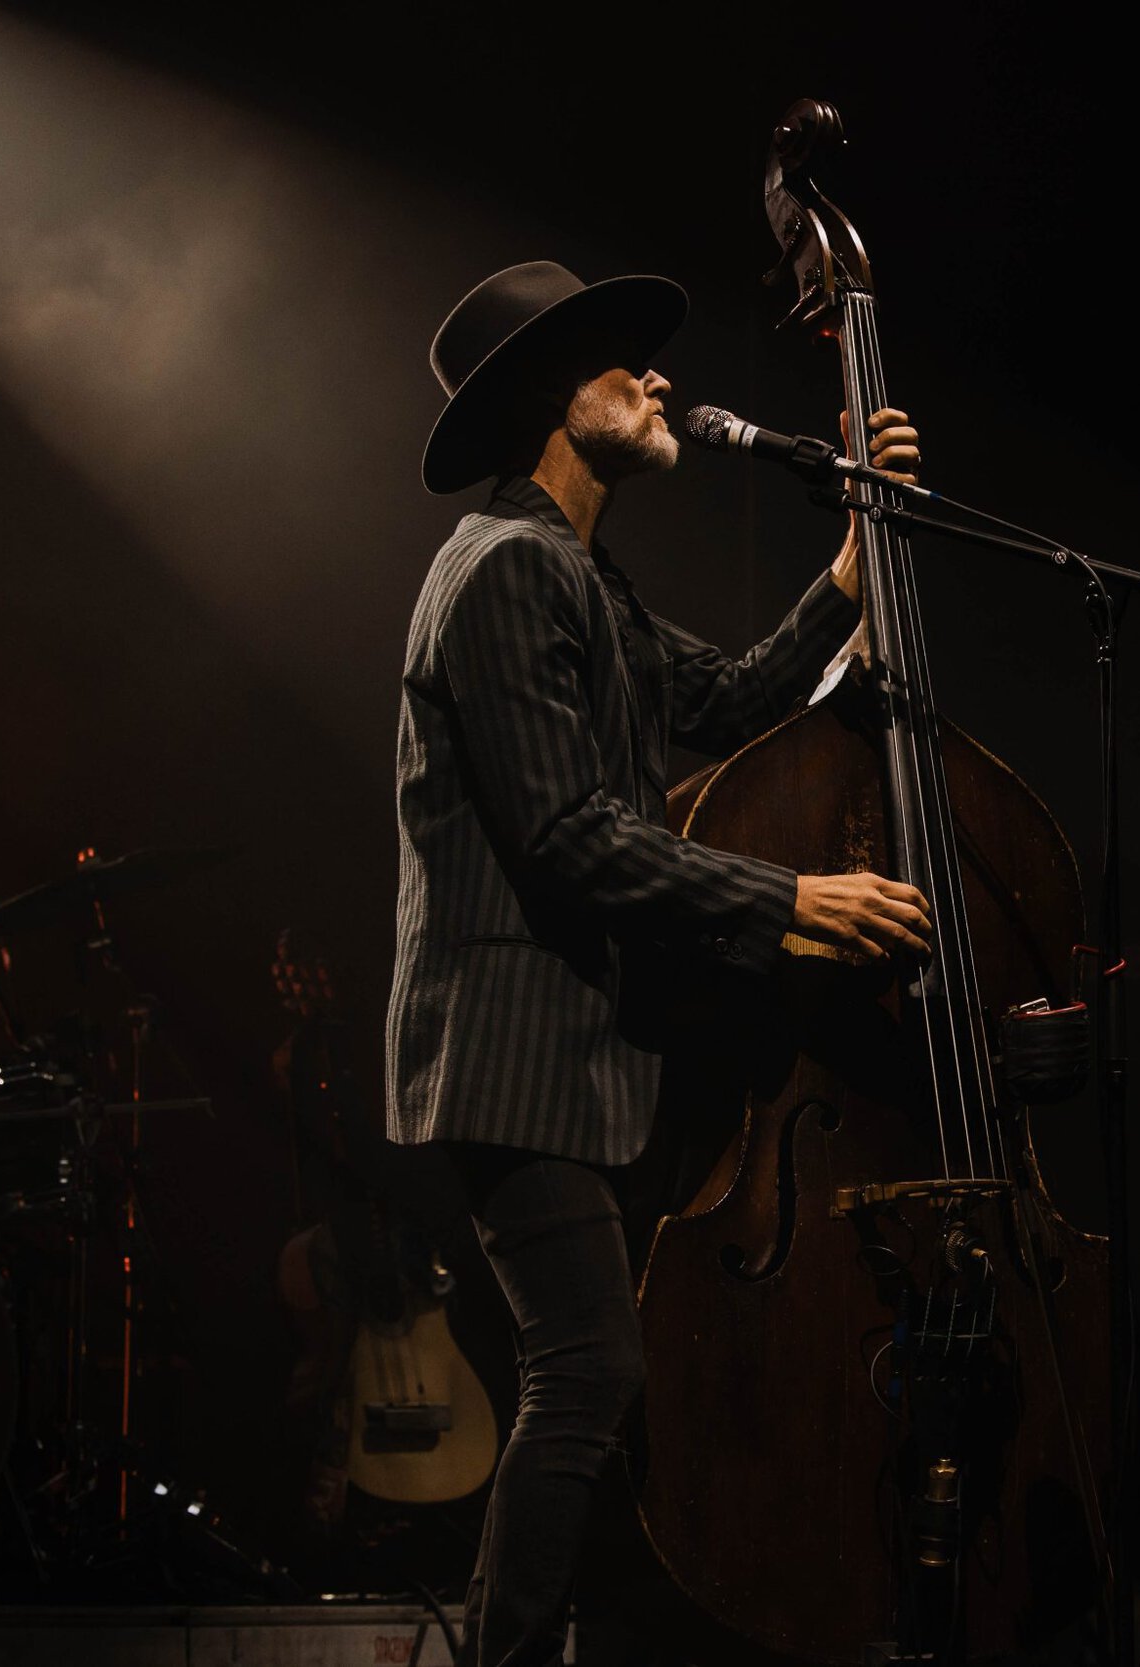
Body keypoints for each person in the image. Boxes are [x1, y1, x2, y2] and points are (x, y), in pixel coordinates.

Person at [387, 260, 933, 1667]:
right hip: (511, 1050)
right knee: (589, 1372)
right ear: (543, 405)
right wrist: (791, 897)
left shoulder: (581, 578)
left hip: (575, 1054)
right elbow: (571, 833)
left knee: (593, 1376)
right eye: (621, 364)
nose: (659, 379)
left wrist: (849, 575)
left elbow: (736, 702)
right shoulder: (504, 569)